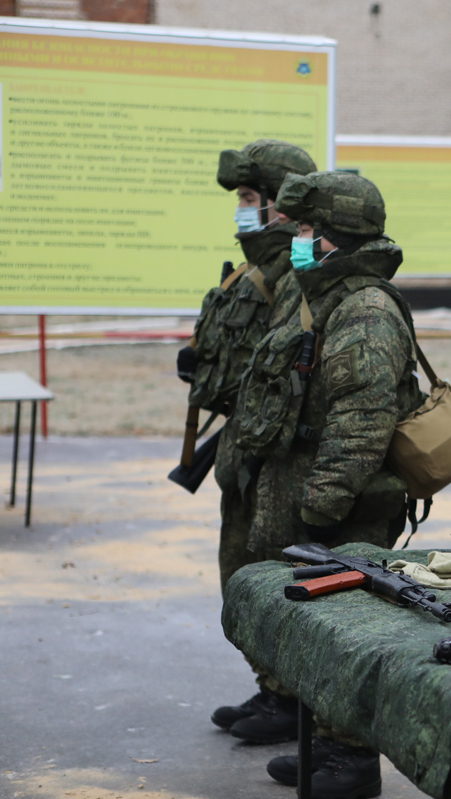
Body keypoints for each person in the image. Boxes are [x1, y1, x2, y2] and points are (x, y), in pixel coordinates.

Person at [231, 170, 425, 799]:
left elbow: (361, 420)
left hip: (342, 503)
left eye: (309, 230)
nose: (299, 239)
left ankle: (350, 761)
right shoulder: (330, 295)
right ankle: (324, 744)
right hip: (309, 485)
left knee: (344, 629)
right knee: (315, 626)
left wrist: (323, 506)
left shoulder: (364, 309)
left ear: (336, 237)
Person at [175, 139, 316, 742]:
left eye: (251, 198)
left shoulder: (296, 270)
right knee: (239, 573)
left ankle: (292, 701)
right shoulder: (256, 266)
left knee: (268, 575)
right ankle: (272, 689)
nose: (243, 209)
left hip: (276, 455)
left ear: (281, 207)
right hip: (243, 447)